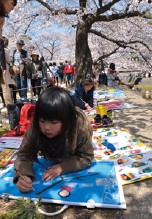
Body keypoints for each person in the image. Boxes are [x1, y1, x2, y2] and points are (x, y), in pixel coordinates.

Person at [13, 87, 93, 192]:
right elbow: (24, 154)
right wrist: (22, 176)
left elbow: (86, 156)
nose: (46, 127)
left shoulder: (80, 125)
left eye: (54, 122)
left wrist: (62, 167)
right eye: (42, 121)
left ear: (66, 121)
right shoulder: (37, 125)